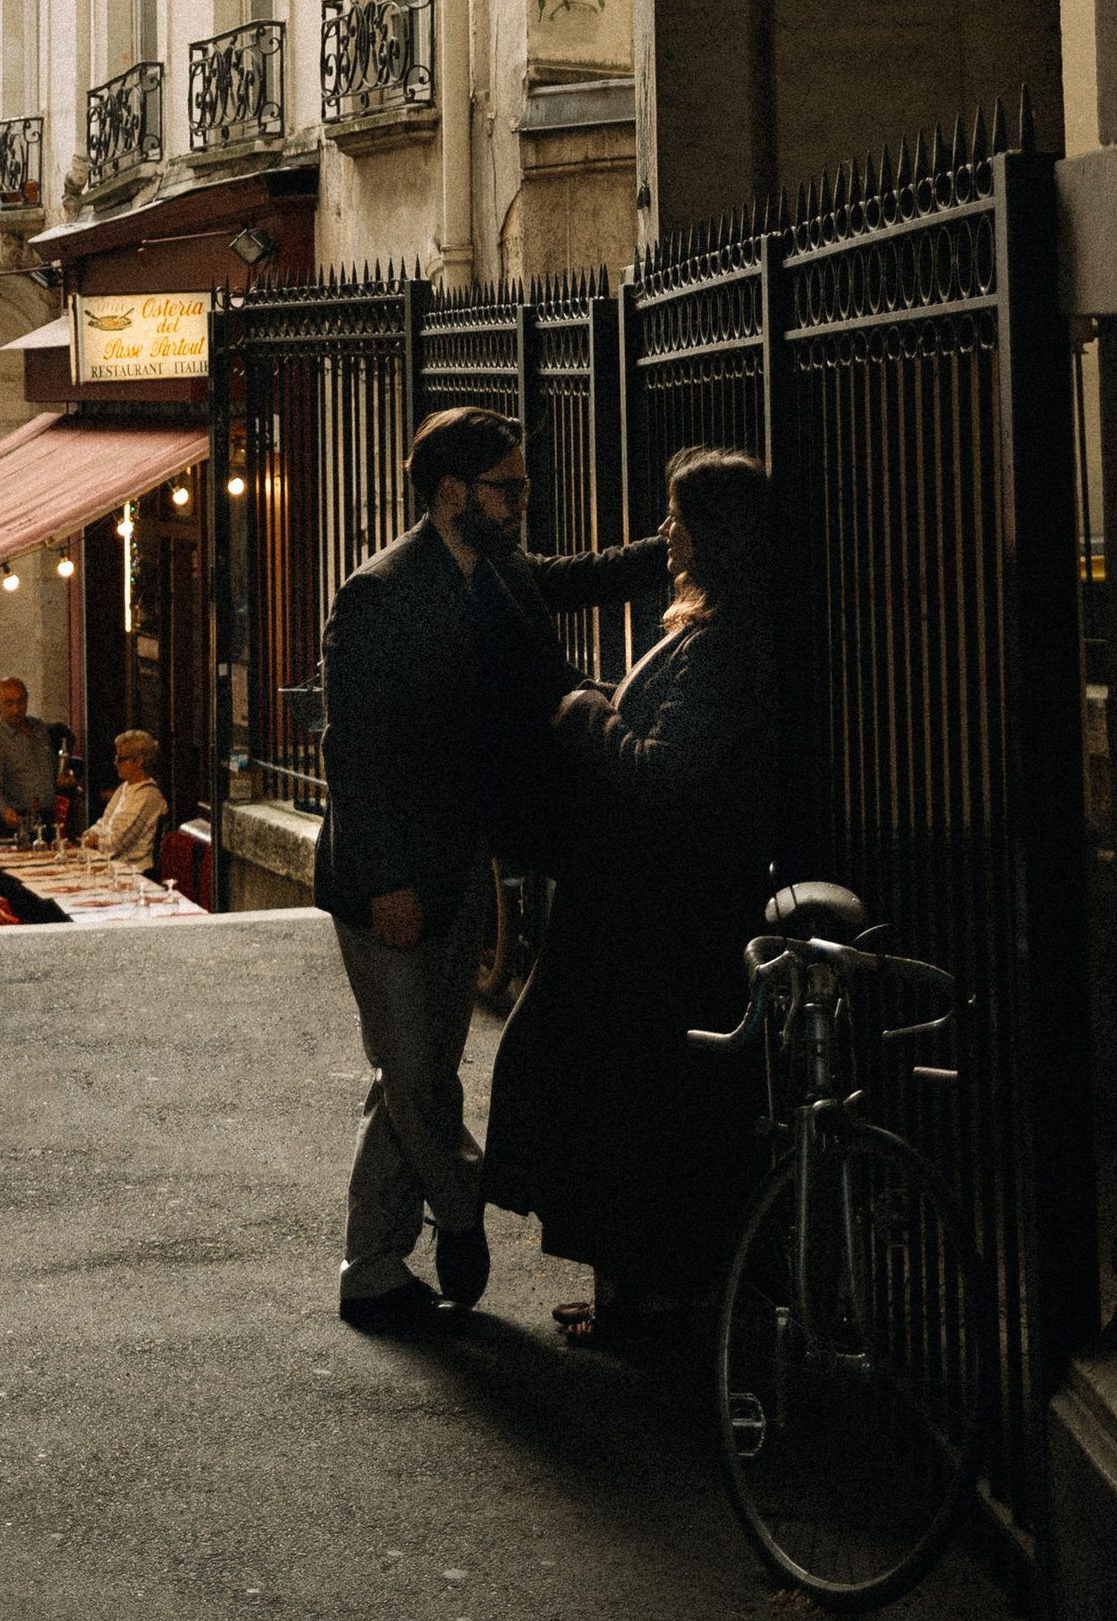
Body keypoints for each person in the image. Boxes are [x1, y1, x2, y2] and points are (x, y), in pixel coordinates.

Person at [316, 405, 659, 1335]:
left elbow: (571, 579)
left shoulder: (500, 573)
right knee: (414, 1069)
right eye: (508, 488)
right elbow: (352, 755)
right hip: (385, 881)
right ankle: (459, 1208)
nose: (522, 505)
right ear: (451, 491)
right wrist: (386, 880)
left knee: (418, 1067)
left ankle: (373, 1269)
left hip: (464, 858)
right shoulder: (379, 592)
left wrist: (669, 547)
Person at [475, 447, 778, 1344]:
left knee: (624, 1098)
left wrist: (586, 713)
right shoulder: (708, 622)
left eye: (678, 518)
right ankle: (628, 1289)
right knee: (610, 1091)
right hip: (635, 906)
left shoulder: (724, 643)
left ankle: (642, 1297)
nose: (664, 533)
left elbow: (663, 768)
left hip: (657, 917)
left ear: (711, 534)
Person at [0, 674, 60, 844]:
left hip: (46, 817)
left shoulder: (39, 728)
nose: (16, 709)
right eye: (9, 703)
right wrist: (5, 811)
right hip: (18, 820)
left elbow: (51, 767)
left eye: (21, 702)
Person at [82, 730, 168, 874]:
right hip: (114, 866)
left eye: (121, 759)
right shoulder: (125, 787)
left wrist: (95, 842)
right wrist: (90, 834)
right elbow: (104, 821)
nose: (116, 763)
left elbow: (117, 844)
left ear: (139, 761)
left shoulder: (147, 795)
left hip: (135, 872)